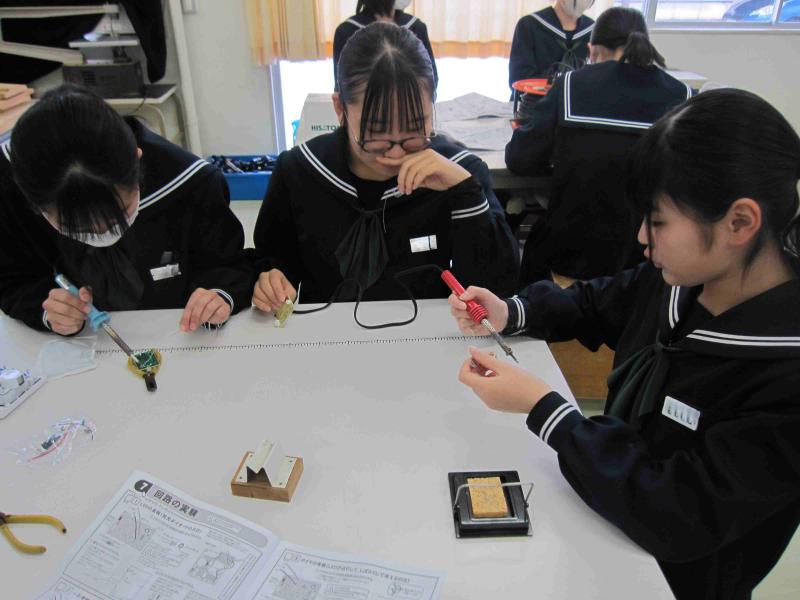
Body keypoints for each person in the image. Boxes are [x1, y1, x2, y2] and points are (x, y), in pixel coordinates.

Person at [450, 88, 800, 599]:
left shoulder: (784, 378)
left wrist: (547, 410)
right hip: (604, 520)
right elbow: (599, 302)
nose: (641, 237)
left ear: (739, 222)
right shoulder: (687, 275)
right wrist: (512, 311)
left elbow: (679, 512)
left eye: (658, 222)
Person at [251, 22, 518, 311]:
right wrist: (270, 280)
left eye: (415, 128)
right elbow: (274, 260)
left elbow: (498, 289)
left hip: (431, 331)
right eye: (377, 131)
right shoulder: (300, 171)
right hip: (325, 332)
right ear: (340, 108)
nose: (396, 151)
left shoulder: (458, 173)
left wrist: (468, 196)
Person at [0, 84, 253, 336]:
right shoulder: (13, 189)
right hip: (78, 347)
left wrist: (218, 293)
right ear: (35, 204)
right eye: (79, 227)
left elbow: (228, 265)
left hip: (180, 335)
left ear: (137, 160)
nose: (103, 234)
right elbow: (12, 280)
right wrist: (46, 310)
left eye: (119, 214)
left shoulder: (193, 186)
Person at [507, 7, 691, 285]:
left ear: (591, 51)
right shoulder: (682, 96)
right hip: (647, 259)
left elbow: (520, 160)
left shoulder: (570, 85)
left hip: (572, 255)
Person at [333, 0, 438, 92]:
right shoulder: (347, 31)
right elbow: (342, 90)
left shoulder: (415, 26)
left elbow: (431, 81)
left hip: (411, 107)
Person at [508, 0, 595, 91]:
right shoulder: (529, 25)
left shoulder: (594, 31)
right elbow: (519, 79)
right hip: (533, 98)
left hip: (577, 99)